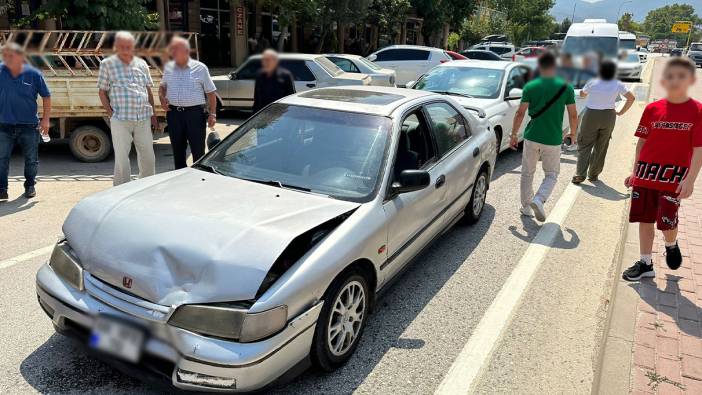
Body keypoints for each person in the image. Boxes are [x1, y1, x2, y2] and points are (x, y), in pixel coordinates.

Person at [622, 57, 702, 281]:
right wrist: (635, 171)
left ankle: (671, 243)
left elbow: (698, 149)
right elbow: (642, 143)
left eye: (681, 76)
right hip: (647, 176)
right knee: (644, 219)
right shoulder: (652, 109)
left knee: (667, 221)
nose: (675, 80)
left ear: (690, 80)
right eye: (670, 76)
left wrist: (690, 180)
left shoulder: (697, 111)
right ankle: (645, 263)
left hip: (673, 179)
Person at [510, 52, 578, 222]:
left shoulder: (531, 86)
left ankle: (526, 207)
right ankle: (539, 199)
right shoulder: (566, 87)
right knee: (552, 174)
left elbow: (520, 113)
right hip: (553, 139)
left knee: (527, 172)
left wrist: (513, 134)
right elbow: (573, 114)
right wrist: (573, 133)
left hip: (532, 136)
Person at [97, 31, 157, 186]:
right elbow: (102, 91)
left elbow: (148, 90)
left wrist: (154, 114)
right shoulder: (107, 64)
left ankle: (147, 185)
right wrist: (111, 113)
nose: (125, 49)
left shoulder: (142, 63)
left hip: (143, 117)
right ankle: (121, 188)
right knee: (122, 157)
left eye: (128, 46)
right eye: (122, 46)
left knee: (148, 154)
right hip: (121, 118)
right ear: (116, 47)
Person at [0, 42, 51, 201]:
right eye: (5, 55)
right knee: (2, 159)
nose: (7, 59)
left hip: (29, 125)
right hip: (3, 125)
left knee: (31, 159)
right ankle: (2, 189)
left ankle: (30, 185)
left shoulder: (34, 74)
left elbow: (46, 96)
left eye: (11, 56)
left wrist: (45, 120)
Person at [572, 60, 635, 184]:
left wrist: (581, 91)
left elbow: (583, 94)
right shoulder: (617, 83)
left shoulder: (593, 82)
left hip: (591, 114)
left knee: (585, 144)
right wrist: (621, 112)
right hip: (609, 115)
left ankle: (580, 174)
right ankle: (593, 175)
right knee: (601, 145)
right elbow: (631, 98)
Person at [159, 37, 217, 170]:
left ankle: (198, 177)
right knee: (177, 149)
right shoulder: (169, 68)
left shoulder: (200, 68)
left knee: (198, 150)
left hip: (195, 115)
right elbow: (163, 86)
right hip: (174, 114)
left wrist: (212, 113)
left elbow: (211, 92)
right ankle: (180, 176)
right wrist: (162, 98)